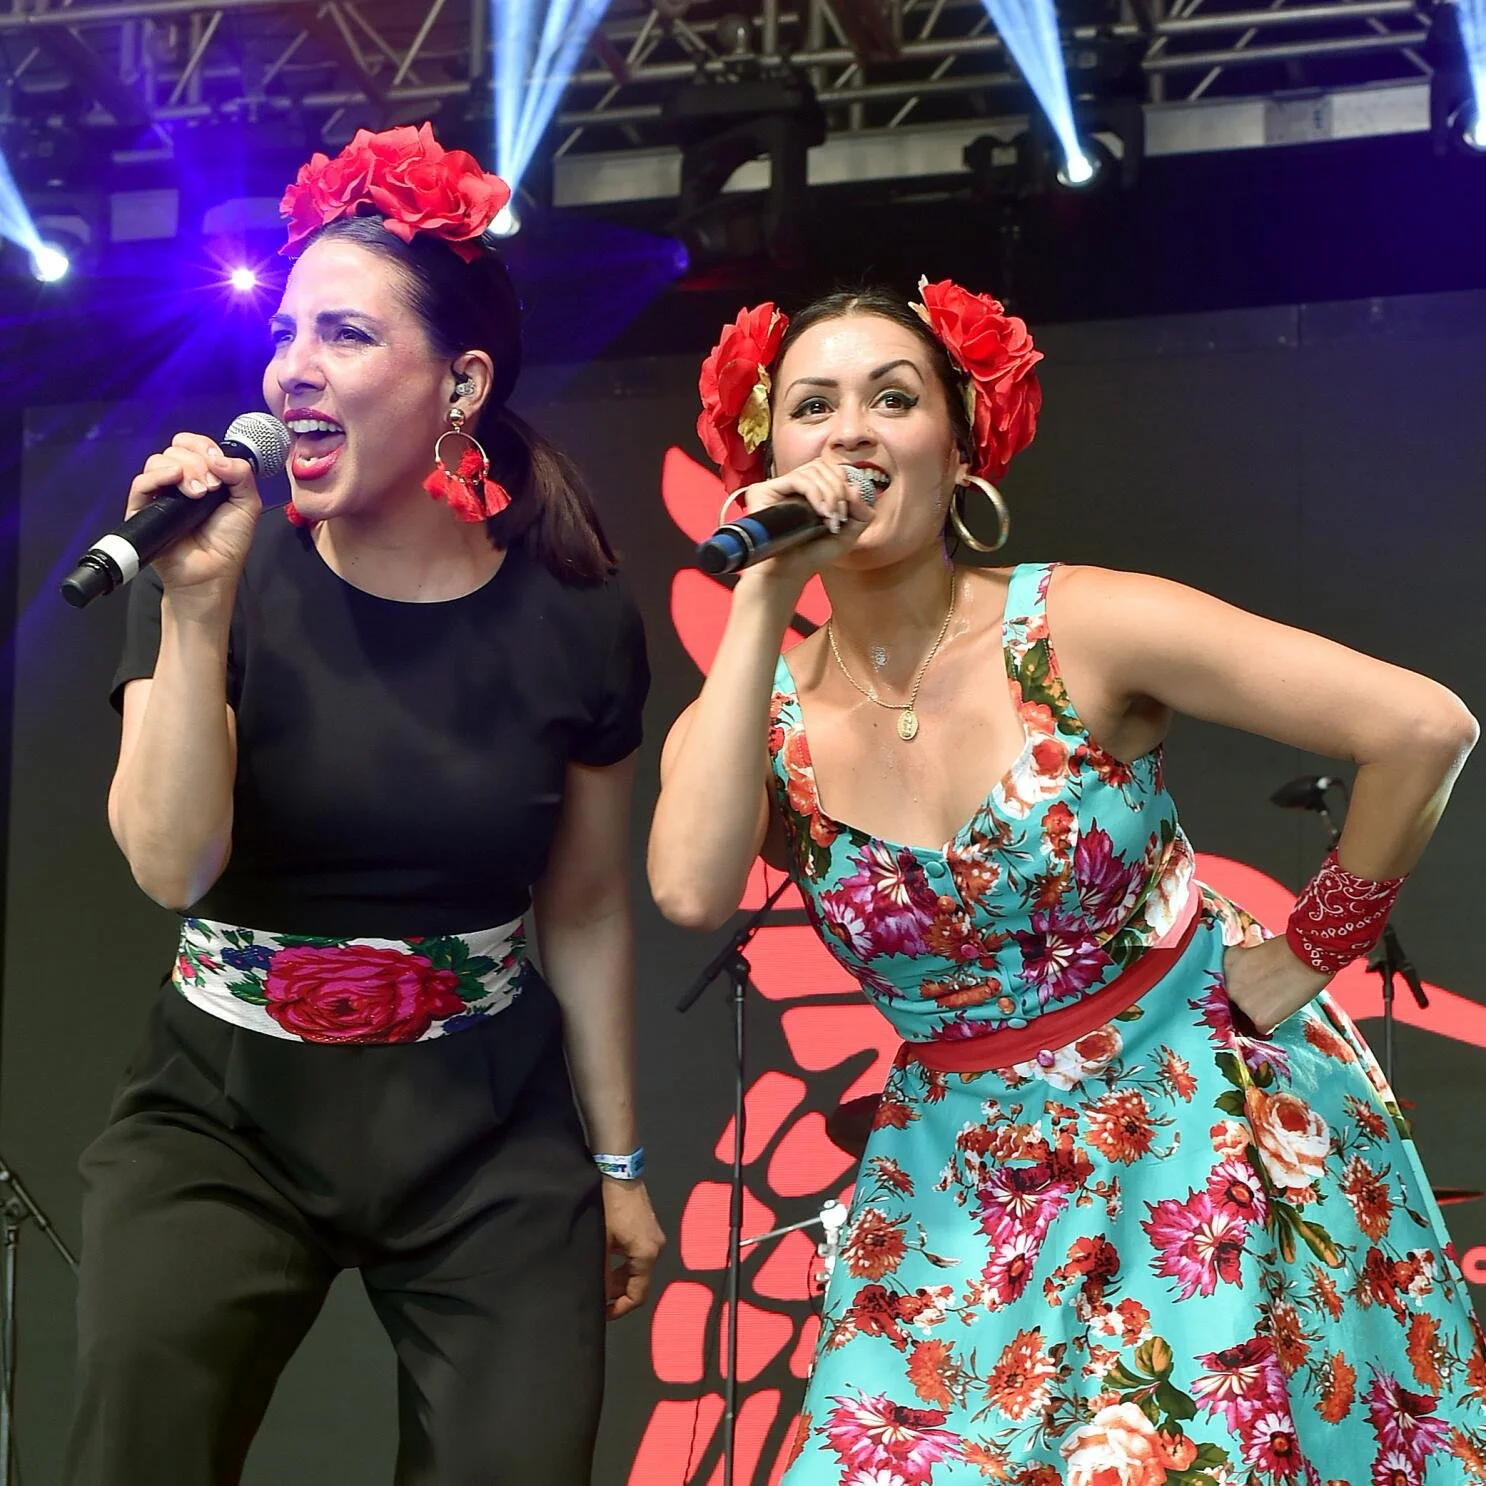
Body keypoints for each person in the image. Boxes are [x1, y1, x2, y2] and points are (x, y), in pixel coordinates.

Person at [648, 281, 1486, 1483]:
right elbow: (688, 889)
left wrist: (1311, 950)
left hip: (1193, 1125)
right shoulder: (756, 718)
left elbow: (1420, 728)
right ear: (766, 457)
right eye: (812, 406)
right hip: (953, 1177)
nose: (851, 432)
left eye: (894, 398)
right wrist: (764, 596)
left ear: (961, 447)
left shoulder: (1076, 625)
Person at [67, 123, 663, 1486]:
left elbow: (582, 907)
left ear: (461, 383)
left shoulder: (576, 617)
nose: (292, 367)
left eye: (344, 333)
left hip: (485, 1119)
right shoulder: (213, 575)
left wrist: (618, 1161)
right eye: (285, 333)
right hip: (225, 1108)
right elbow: (171, 867)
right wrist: (196, 611)